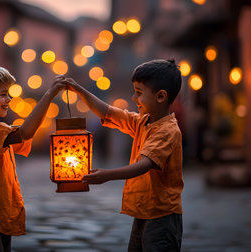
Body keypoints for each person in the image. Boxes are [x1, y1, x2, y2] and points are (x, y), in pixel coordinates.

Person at [64, 59, 183, 252]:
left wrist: (107, 175)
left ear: (160, 97)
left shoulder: (167, 131)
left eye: (138, 93)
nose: (134, 99)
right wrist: (79, 90)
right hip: (144, 211)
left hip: (162, 215)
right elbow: (109, 112)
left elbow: (145, 164)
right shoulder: (143, 121)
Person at [0, 62, 65, 252]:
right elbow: (25, 132)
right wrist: (48, 95)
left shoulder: (0, 131)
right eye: (3, 94)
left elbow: (26, 134)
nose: (9, 99)